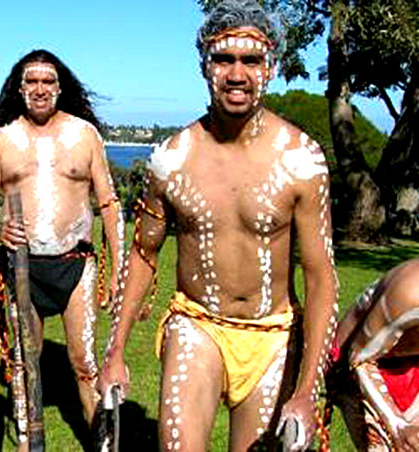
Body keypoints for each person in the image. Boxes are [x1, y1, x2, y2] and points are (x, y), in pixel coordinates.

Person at [98, 1, 338, 450]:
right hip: (197, 325)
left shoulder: (302, 160)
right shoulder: (171, 159)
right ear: (204, 66)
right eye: (223, 59)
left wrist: (307, 391)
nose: (236, 74)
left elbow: (322, 275)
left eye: (251, 61)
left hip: (273, 337)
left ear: (271, 67)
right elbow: (143, 254)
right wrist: (115, 353)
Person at [0, 49, 125, 426]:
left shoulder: (84, 135)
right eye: (32, 81)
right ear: (19, 87)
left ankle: (102, 443)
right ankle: (30, 439)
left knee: (85, 364)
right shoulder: (1, 140)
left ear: (60, 88)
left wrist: (117, 273)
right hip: (21, 266)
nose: (40, 89)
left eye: (48, 81)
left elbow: (109, 203)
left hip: (76, 265)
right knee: (26, 362)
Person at [328, 250, 419, 452]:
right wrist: (398, 424)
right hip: (354, 369)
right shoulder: (416, 291)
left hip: (410, 363)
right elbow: (359, 358)